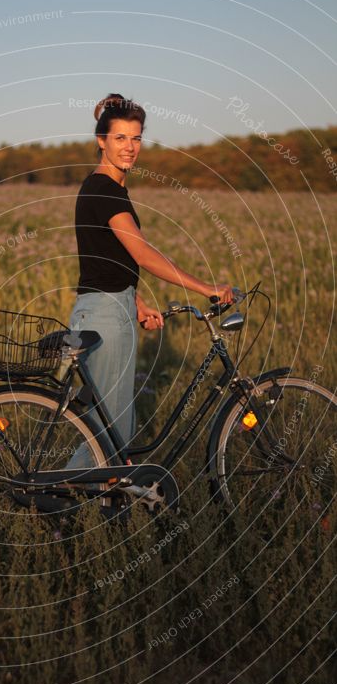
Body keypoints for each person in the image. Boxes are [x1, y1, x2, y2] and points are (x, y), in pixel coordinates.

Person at [66, 93, 234, 468]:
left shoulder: (106, 189)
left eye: (137, 138)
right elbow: (142, 254)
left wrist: (136, 302)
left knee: (115, 426)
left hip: (109, 306)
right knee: (110, 436)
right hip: (105, 315)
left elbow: (106, 258)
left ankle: (105, 507)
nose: (130, 147)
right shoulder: (105, 190)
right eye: (120, 138)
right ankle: (50, 499)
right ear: (101, 141)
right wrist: (208, 288)